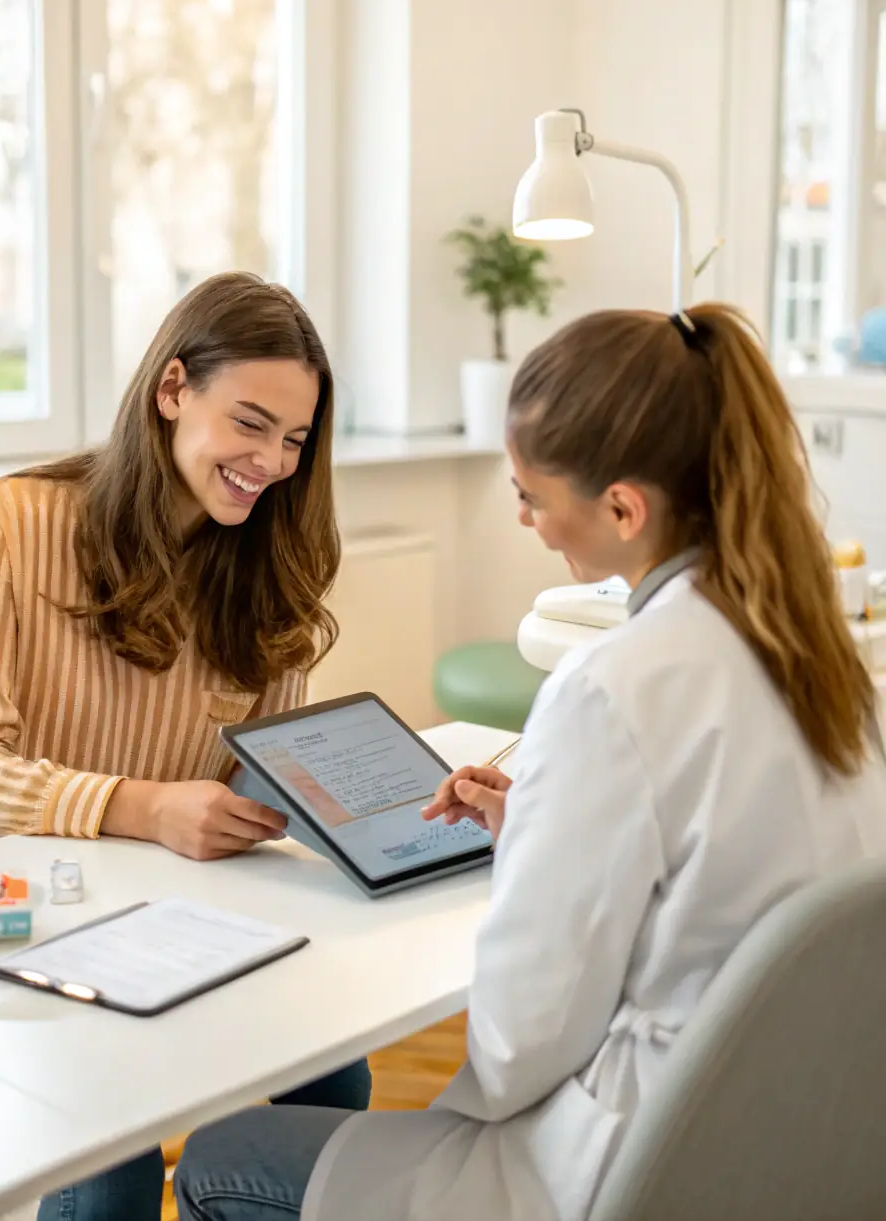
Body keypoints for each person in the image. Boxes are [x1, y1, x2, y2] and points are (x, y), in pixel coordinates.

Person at [173, 302, 886, 1221]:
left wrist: (544, 857)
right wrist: (542, 826)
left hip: (635, 1166)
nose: (525, 520)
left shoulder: (612, 688)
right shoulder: (829, 667)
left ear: (624, 507)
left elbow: (518, 1047)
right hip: (800, 1148)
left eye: (532, 496)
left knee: (224, 1156)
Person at [0, 271, 371, 1221]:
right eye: (250, 423)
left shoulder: (267, 553)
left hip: (165, 889)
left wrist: (350, 800)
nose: (272, 462)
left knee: (337, 1078)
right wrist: (145, 806)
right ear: (172, 390)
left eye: (294, 439)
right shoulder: (8, 524)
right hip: (4, 887)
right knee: (113, 1152)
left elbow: (258, 763)